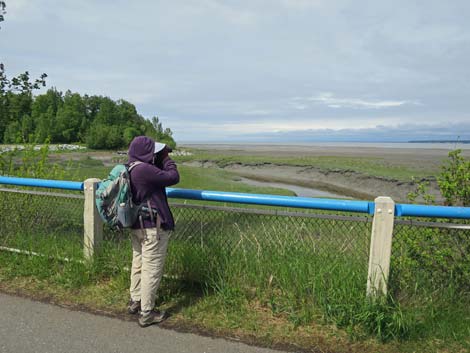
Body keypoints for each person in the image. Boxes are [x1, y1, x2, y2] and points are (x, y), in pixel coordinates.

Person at [125, 135, 179, 327]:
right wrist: (165, 159)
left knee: (138, 263)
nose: (155, 154)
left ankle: (136, 301)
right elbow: (173, 177)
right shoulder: (145, 170)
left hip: (137, 225)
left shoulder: (130, 168)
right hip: (152, 228)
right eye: (153, 151)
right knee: (151, 269)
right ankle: (147, 312)